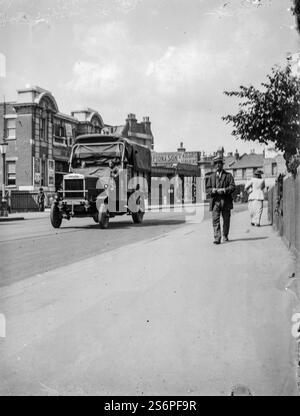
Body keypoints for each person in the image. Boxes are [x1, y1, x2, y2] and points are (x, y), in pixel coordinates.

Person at [206, 156, 236, 244]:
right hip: (215, 201)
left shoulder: (228, 175)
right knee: (215, 220)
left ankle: (225, 235)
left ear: (222, 165)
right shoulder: (211, 177)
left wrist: (225, 190)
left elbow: (233, 186)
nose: (218, 165)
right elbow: (207, 189)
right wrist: (212, 190)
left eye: (220, 163)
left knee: (226, 219)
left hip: (226, 201)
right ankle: (217, 238)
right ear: (214, 165)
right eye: (216, 164)